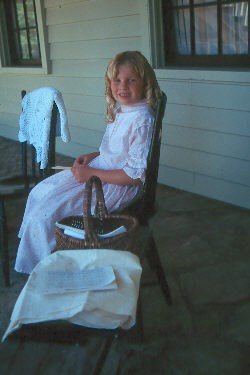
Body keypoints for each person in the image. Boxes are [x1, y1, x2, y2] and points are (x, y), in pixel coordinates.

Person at [15, 50, 161, 274]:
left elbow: (134, 175)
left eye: (131, 80)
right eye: (117, 80)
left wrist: (90, 173)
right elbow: (116, 151)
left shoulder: (142, 120)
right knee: (41, 192)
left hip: (117, 186)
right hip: (101, 170)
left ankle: (45, 269)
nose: (122, 86)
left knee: (46, 215)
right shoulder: (121, 109)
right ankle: (44, 252)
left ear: (145, 83)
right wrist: (92, 157)